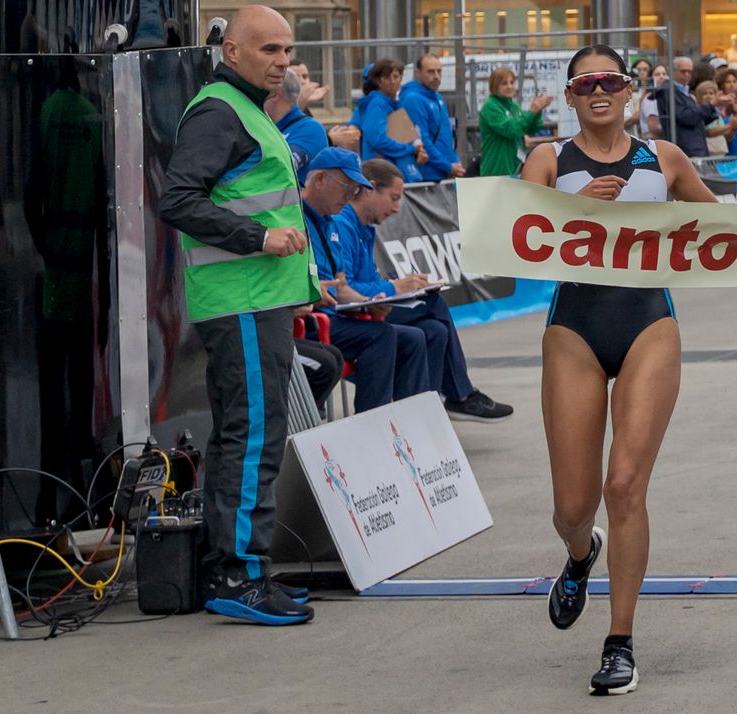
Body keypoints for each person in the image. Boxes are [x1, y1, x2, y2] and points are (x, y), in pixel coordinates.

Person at [518, 43, 717, 696]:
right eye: (585, 83)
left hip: (647, 321)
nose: (598, 90)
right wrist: (577, 215)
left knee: (625, 484)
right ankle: (580, 553)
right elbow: (518, 241)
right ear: (571, 95)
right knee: (572, 507)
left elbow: (724, 231)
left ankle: (619, 642)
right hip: (574, 326)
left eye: (610, 80)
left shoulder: (664, 159)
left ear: (631, 91)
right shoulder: (549, 159)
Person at [156, 5, 317, 626]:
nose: (282, 61)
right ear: (232, 52)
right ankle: (240, 576)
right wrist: (257, 238)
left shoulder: (244, 110)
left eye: (286, 50)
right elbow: (178, 198)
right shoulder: (221, 111)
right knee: (251, 437)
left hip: (258, 300)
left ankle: (243, 572)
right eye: (268, 50)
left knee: (248, 434)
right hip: (242, 303)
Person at [336, 158, 515, 421]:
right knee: (434, 304)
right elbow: (345, 287)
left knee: (434, 330)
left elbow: (367, 280)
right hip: (351, 316)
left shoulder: (365, 229)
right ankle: (460, 395)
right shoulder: (343, 224)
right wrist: (394, 286)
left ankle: (425, 412)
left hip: (369, 307)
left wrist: (403, 287)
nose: (397, 209)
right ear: (371, 188)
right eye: (394, 198)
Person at [300, 148, 431, 413]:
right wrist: (314, 291)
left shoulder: (330, 224)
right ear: (319, 180)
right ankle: (375, 425)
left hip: (335, 314)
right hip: (311, 319)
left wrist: (369, 302)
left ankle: (413, 422)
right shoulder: (295, 218)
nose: (351, 195)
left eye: (355, 189)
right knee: (380, 336)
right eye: (346, 187)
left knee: (413, 337)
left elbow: (342, 286)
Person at [352, 59, 426, 181]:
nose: (392, 81)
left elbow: (406, 137)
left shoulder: (394, 104)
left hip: (396, 172)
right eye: (387, 77)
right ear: (378, 81)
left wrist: (418, 149)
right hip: (380, 173)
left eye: (396, 76)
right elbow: (378, 140)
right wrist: (411, 149)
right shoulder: (377, 104)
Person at [477, 67, 555, 177]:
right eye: (504, 83)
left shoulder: (513, 105)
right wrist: (532, 111)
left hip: (515, 169)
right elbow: (511, 130)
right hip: (496, 171)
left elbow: (531, 128)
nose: (509, 86)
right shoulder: (490, 106)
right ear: (494, 86)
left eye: (512, 82)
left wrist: (537, 111)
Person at [401, 54, 462, 181]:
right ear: (418, 73)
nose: (436, 76)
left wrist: (455, 162)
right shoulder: (413, 99)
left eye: (439, 71)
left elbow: (447, 136)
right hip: (427, 175)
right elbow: (422, 141)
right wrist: (448, 166)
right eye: (431, 72)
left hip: (443, 172)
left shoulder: (437, 97)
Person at [657, 57, 715, 157]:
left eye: (689, 72)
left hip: (695, 148)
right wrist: (711, 105)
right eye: (683, 71)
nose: (687, 75)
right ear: (672, 71)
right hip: (686, 150)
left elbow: (697, 120)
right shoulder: (667, 91)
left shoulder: (683, 91)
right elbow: (686, 117)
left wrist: (714, 112)